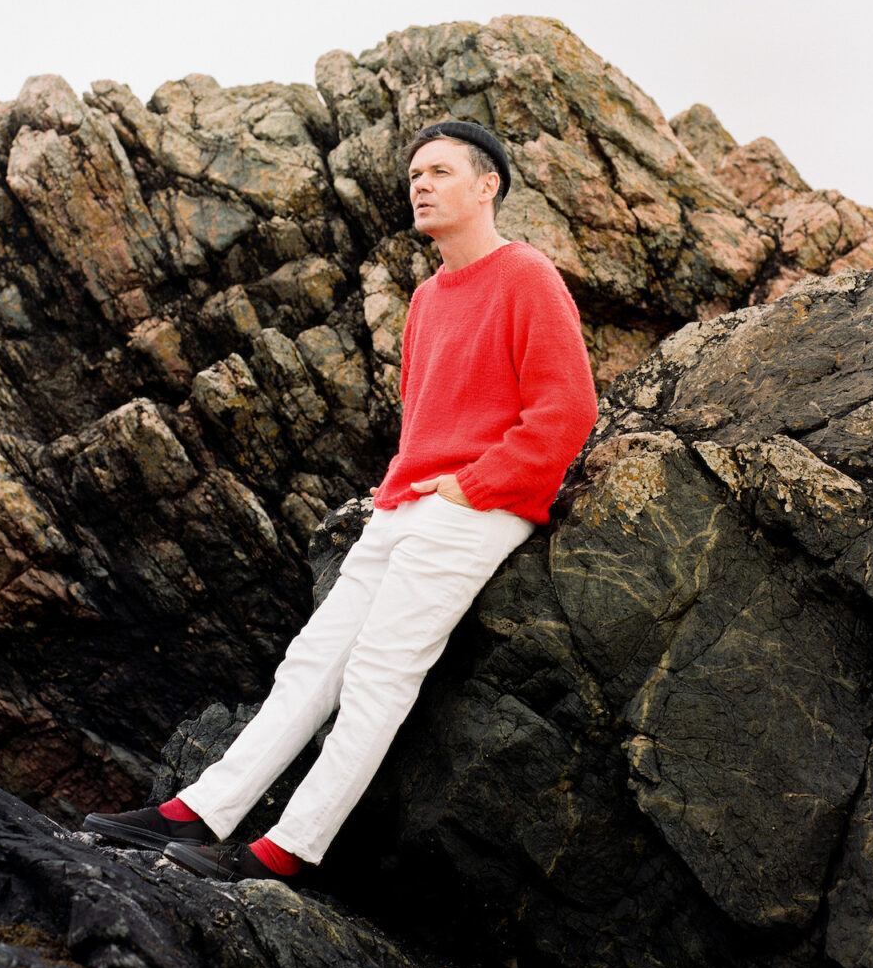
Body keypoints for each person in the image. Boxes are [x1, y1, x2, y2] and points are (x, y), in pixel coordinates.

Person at [84, 120, 598, 883]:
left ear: (487, 186)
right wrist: (399, 489)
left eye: (440, 172)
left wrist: (471, 484)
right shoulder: (426, 298)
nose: (420, 184)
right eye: (414, 173)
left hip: (477, 508)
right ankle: (201, 808)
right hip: (402, 502)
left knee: (380, 673)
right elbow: (421, 414)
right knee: (310, 662)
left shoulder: (526, 274)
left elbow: (567, 408)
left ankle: (287, 847)